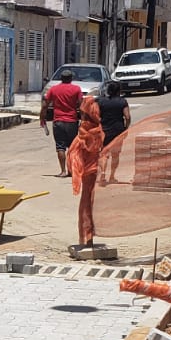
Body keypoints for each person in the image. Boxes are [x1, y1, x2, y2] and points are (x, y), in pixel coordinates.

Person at [66, 93, 106, 247]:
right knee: (91, 204)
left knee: (86, 204)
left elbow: (74, 153)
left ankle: (86, 237)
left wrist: (75, 170)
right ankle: (88, 237)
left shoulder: (84, 132)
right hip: (95, 172)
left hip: (88, 173)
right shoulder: (98, 130)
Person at [40, 68, 83, 177]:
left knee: (60, 147)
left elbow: (45, 105)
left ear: (61, 78)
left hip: (58, 121)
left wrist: (42, 118)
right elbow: (82, 106)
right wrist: (83, 120)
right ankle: (71, 171)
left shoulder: (54, 89)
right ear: (71, 79)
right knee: (73, 147)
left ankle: (63, 171)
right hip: (72, 121)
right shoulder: (77, 89)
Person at [94, 80, 131, 185]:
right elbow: (127, 117)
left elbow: (94, 114)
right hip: (118, 131)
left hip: (104, 131)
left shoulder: (101, 101)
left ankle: (102, 174)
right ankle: (112, 176)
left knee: (104, 153)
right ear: (119, 91)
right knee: (116, 154)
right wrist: (126, 127)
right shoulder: (122, 102)